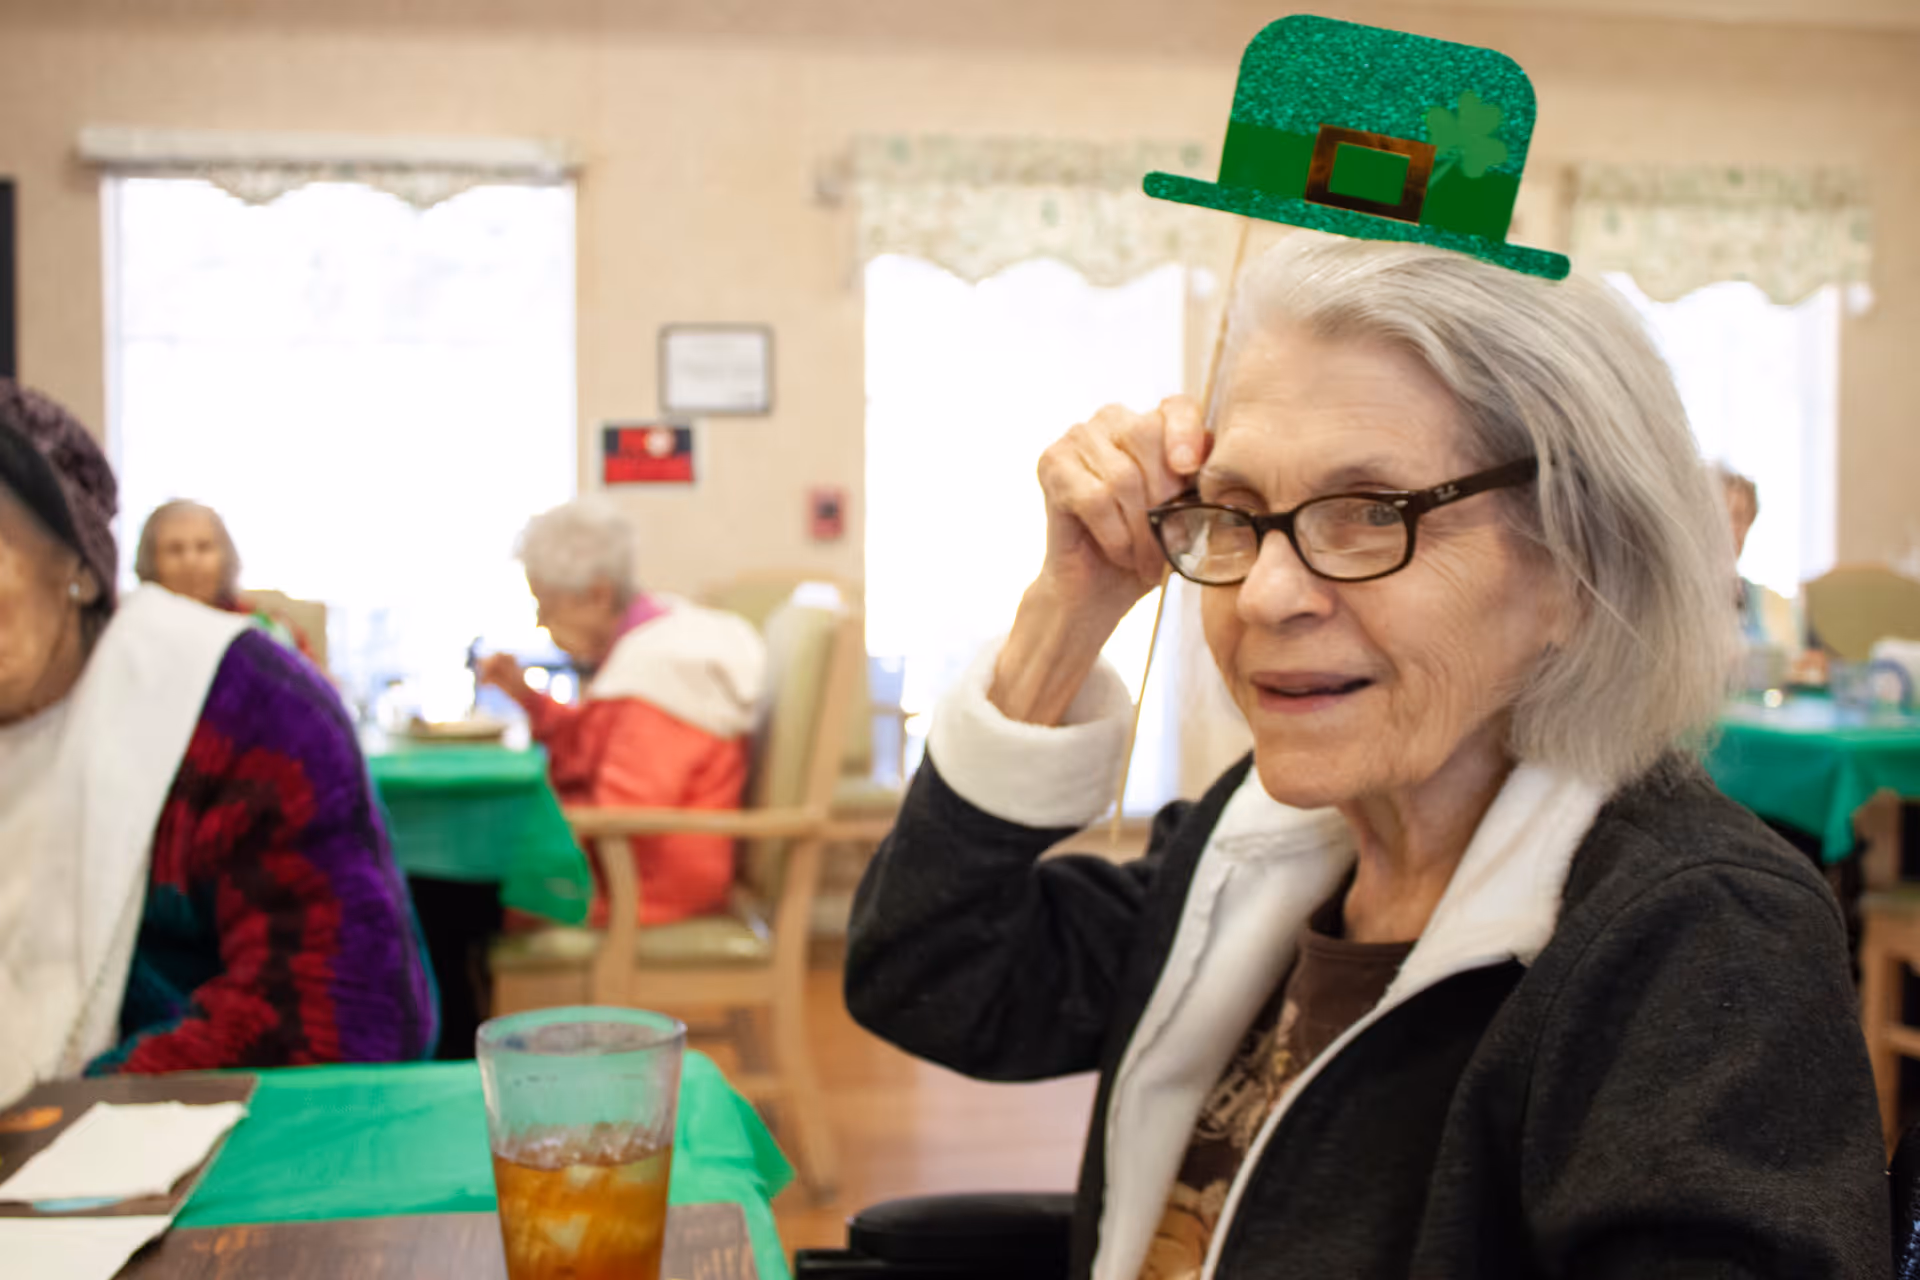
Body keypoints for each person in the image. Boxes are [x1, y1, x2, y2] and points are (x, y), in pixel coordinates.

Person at [844, 235, 1888, 1278]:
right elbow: (932, 974)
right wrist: (1067, 609)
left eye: (1369, 514)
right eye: (1240, 512)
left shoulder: (1701, 936)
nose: (1263, 594)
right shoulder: (1262, 840)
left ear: (1578, 564)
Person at [0, 381, 434, 1105]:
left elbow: (342, 1015)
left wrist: (58, 1118)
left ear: (77, 564)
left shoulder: (244, 703)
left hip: (211, 1165)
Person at [478, 498, 765, 926]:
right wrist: (527, 696)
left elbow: (620, 815)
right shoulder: (649, 644)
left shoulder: (661, 672)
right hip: (635, 873)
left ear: (597, 594)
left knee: (466, 892)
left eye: (547, 606)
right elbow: (592, 746)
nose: (541, 622)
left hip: (644, 891)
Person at [135, 498, 315, 660]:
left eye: (203, 547)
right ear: (151, 561)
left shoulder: (265, 632)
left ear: (225, 557)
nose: (190, 561)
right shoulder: (133, 634)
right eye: (175, 549)